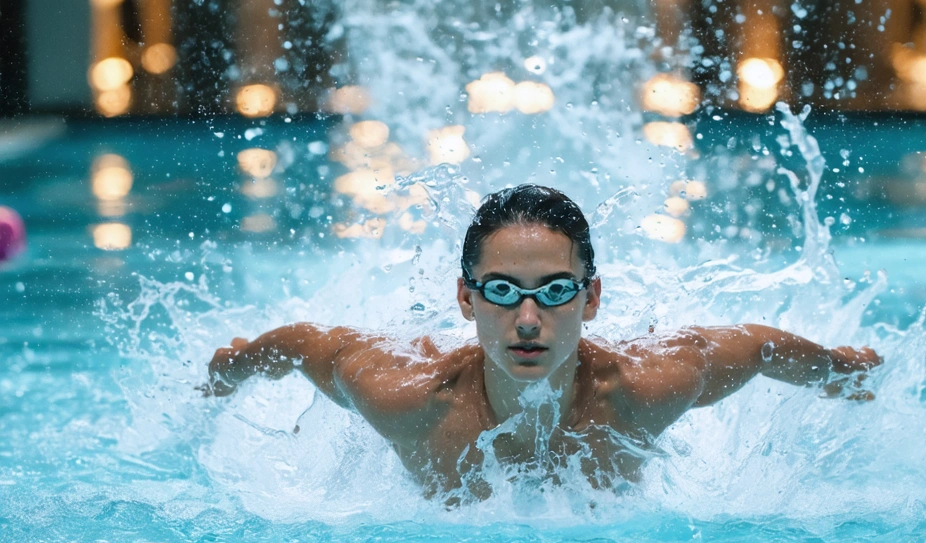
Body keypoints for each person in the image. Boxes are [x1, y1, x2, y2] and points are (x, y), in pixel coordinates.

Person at [205, 184, 881, 499]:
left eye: (554, 291)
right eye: (501, 292)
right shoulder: (407, 399)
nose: (527, 320)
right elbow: (306, 344)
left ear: (590, 298)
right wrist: (233, 367)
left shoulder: (646, 389)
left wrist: (837, 371)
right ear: (465, 298)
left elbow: (757, 348)